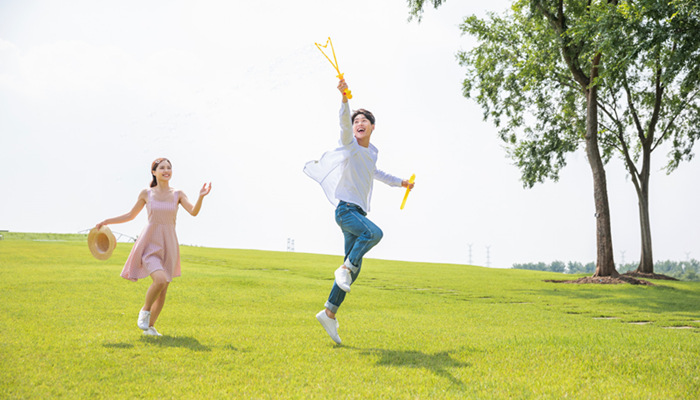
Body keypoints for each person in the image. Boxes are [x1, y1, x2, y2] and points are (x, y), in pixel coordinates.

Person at [304, 79, 415, 344]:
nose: (358, 124)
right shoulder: (349, 145)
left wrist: (402, 183)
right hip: (345, 210)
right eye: (356, 122)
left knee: (356, 270)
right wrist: (345, 99)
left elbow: (377, 173)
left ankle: (329, 313)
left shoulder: (370, 154)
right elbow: (343, 124)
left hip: (358, 214)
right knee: (374, 234)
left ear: (372, 127)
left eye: (363, 121)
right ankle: (344, 267)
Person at [95, 158, 211, 336]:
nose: (166, 170)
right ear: (154, 172)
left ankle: (149, 327)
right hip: (149, 243)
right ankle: (145, 311)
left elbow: (194, 211)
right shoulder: (146, 193)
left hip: (169, 244)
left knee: (163, 291)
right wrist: (107, 221)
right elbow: (130, 215)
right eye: (162, 168)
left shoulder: (178, 193)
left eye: (169, 168)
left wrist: (201, 197)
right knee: (160, 280)